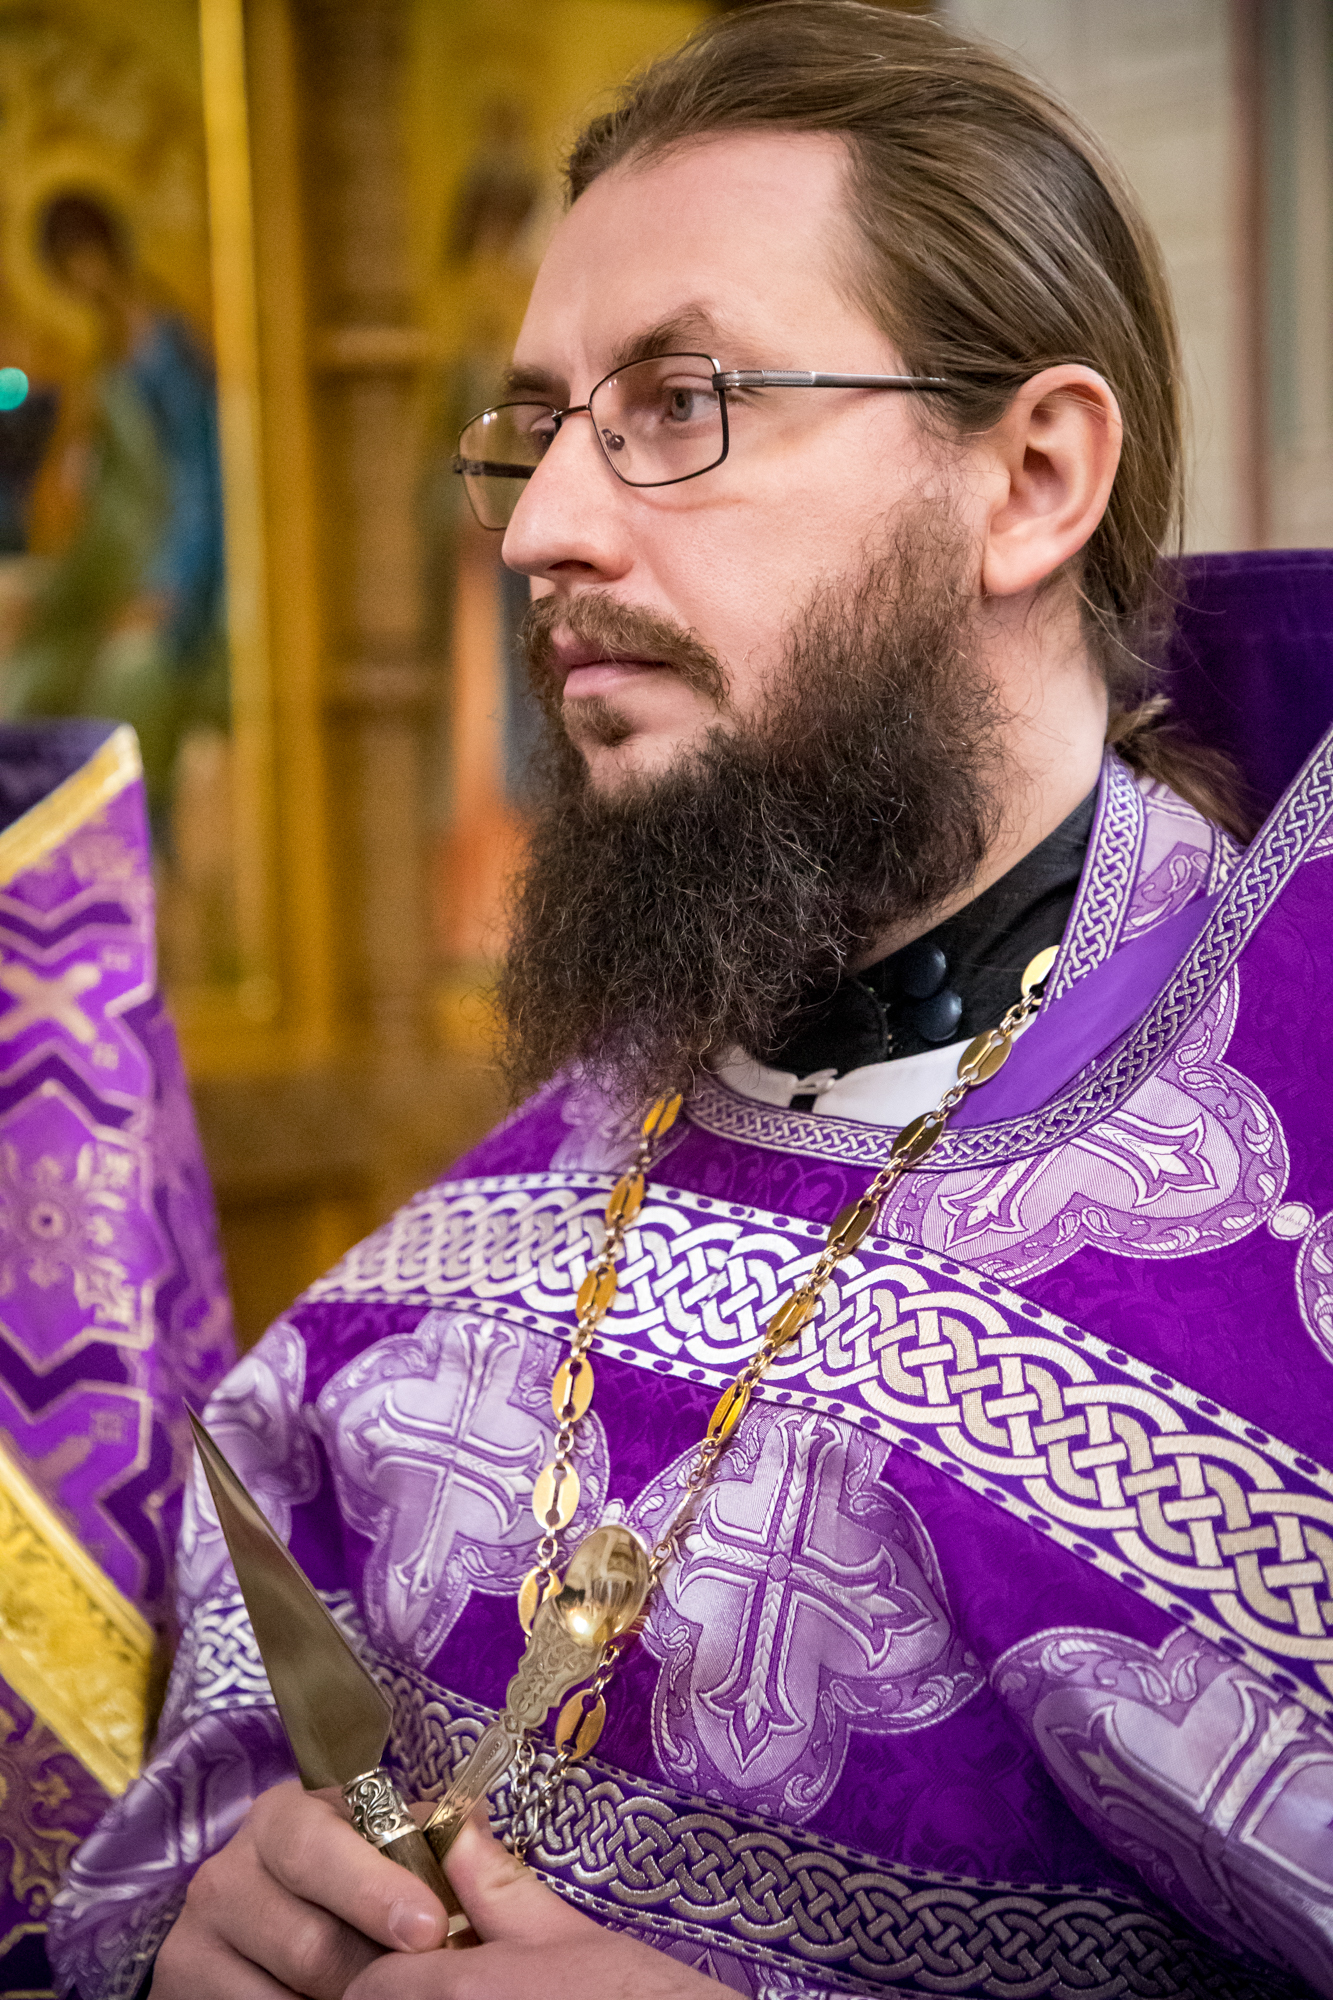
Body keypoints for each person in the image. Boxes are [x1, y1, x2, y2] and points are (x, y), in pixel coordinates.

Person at [48, 6, 1333, 1997]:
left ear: (1030, 479)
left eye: (679, 404)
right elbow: (226, 1733)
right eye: (539, 426)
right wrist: (216, 1904)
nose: (543, 530)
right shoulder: (466, 1247)